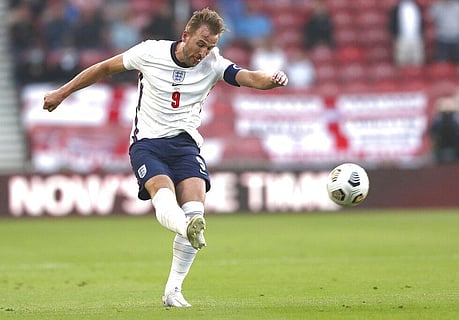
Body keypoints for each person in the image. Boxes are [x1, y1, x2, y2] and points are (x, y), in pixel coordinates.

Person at [42, 8, 288, 308]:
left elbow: (249, 77)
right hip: (147, 144)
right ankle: (186, 227)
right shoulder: (150, 52)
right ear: (186, 35)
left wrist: (272, 79)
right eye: (200, 43)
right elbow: (104, 68)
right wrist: (62, 92)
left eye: (209, 46)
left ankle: (173, 290)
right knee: (165, 195)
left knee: (195, 210)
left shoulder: (212, 64)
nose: (203, 52)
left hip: (185, 146)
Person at [429, 0, 459, 64]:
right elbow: (431, 17)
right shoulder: (438, 6)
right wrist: (439, 5)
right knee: (442, 64)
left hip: (457, 40)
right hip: (442, 40)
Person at [430, 96, 459, 164]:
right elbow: (433, 133)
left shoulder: (457, 119)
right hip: (440, 152)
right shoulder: (438, 120)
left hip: (456, 153)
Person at [388, 0, 425, 66]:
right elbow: (392, 24)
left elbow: (422, 23)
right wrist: (395, 37)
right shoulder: (396, 9)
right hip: (401, 39)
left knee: (417, 62)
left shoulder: (418, 7)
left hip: (416, 39)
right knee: (402, 62)